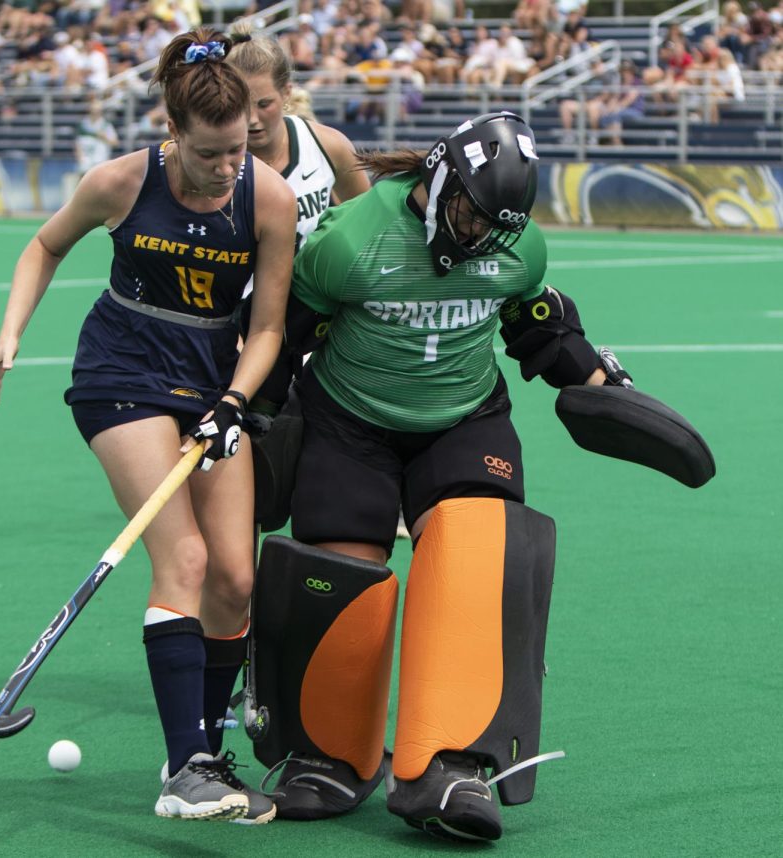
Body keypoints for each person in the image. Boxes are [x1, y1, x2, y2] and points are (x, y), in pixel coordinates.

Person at [250, 112, 634, 841]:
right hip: (348, 422)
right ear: (440, 180)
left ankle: (448, 764)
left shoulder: (518, 245)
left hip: (463, 420)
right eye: (469, 212)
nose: (480, 235)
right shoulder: (351, 239)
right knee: (342, 577)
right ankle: (332, 757)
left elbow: (539, 324)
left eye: (496, 224)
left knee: (470, 555)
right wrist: (248, 418)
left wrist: (600, 380)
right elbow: (285, 331)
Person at [0, 27, 297, 825]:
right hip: (124, 377)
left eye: (238, 149)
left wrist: (234, 403)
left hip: (218, 383)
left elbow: (270, 329)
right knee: (179, 556)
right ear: (172, 133)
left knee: (235, 579)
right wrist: (11, 333)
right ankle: (185, 771)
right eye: (210, 153)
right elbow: (44, 247)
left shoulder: (268, 196)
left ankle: (206, 748)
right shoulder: (119, 182)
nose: (227, 169)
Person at [227, 20, 370, 254]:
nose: (252, 119)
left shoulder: (329, 145)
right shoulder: (215, 161)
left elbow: (367, 220)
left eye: (264, 104)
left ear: (286, 93)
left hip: (314, 289)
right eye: (240, 105)